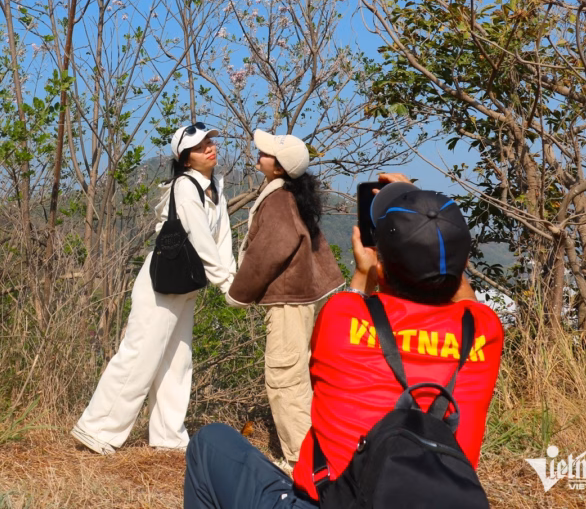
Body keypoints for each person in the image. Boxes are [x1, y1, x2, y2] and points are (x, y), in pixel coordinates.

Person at [184, 173, 504, 509]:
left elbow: (357, 298)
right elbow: (463, 296)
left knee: (210, 444)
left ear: (379, 263)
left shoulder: (342, 316)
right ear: (463, 263)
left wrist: (366, 270)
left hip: (333, 502)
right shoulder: (483, 332)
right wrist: (428, 216)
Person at [72, 122, 236, 455]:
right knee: (140, 354)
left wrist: (232, 278)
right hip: (161, 283)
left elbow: (222, 240)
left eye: (210, 142)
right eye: (201, 145)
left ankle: (169, 436)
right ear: (186, 158)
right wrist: (227, 284)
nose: (209, 148)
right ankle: (97, 429)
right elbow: (200, 238)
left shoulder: (215, 185)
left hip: (187, 284)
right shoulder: (184, 186)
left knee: (178, 360)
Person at [225, 130, 344, 469]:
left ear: (278, 168)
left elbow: (269, 251)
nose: (258, 156)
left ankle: (302, 464)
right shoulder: (292, 193)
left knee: (285, 377)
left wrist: (239, 293)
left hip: (290, 302)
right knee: (301, 374)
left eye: (265, 154)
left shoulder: (277, 199)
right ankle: (314, 456)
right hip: (306, 298)